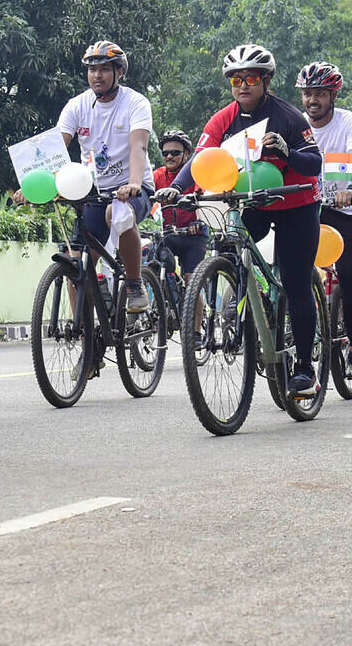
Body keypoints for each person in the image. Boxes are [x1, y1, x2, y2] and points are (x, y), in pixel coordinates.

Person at [157, 44, 322, 394]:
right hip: (255, 201)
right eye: (235, 80)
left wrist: (288, 152)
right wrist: (176, 188)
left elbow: (314, 164)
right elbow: (201, 159)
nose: (242, 86)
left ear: (266, 81)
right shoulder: (223, 119)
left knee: (296, 283)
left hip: (297, 202)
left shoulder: (288, 117)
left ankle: (306, 368)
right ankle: (249, 295)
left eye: (250, 78)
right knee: (231, 246)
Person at [23, 39, 153, 314]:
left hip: (133, 188)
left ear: (119, 72)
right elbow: (53, 152)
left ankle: (133, 283)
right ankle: (88, 343)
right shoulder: (77, 106)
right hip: (92, 191)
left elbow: (138, 145)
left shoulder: (135, 103)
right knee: (77, 267)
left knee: (118, 213)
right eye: (92, 69)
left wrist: (134, 183)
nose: (97, 75)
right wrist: (29, 186)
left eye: (105, 68)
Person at [298, 61, 352, 377]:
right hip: (308, 205)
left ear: (333, 95)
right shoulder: (296, 123)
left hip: (346, 208)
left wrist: (351, 189)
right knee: (293, 271)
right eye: (307, 94)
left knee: (348, 273)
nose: (312, 101)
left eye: (319, 94)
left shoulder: (348, 123)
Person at [151, 129, 209, 277]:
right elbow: (146, 198)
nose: (169, 156)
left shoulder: (196, 173)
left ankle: (190, 297)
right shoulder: (157, 176)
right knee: (158, 271)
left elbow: (201, 196)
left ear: (187, 154)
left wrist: (199, 221)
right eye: (165, 153)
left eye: (175, 153)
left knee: (191, 282)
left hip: (194, 235)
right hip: (169, 235)